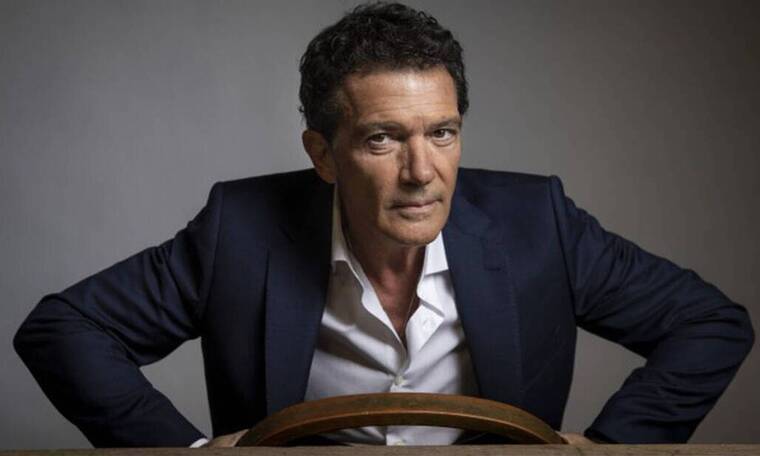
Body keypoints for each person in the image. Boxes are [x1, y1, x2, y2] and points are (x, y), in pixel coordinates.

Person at [14, 2, 754, 448]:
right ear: (323, 154)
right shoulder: (240, 230)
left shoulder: (539, 223)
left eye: (442, 133)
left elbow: (710, 324)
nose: (422, 171)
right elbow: (62, 330)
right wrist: (191, 453)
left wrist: (609, 448)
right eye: (381, 139)